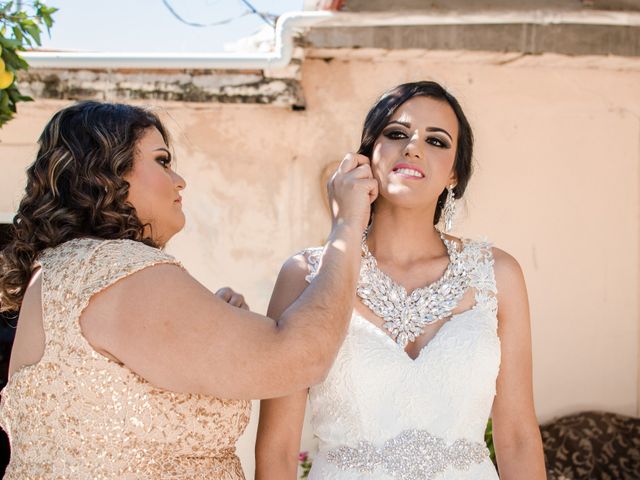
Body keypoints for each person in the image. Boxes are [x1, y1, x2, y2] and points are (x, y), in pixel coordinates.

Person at [0, 101, 377, 478]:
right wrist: (347, 224)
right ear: (106, 173)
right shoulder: (115, 269)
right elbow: (299, 357)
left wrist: (211, 323)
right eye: (162, 161)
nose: (180, 180)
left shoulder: (61, 271)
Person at [255, 81, 546, 479]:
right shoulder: (304, 275)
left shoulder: (498, 275)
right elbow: (277, 450)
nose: (413, 147)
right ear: (367, 155)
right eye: (396, 134)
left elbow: (517, 438)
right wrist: (346, 222)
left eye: (437, 141)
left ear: (455, 174)